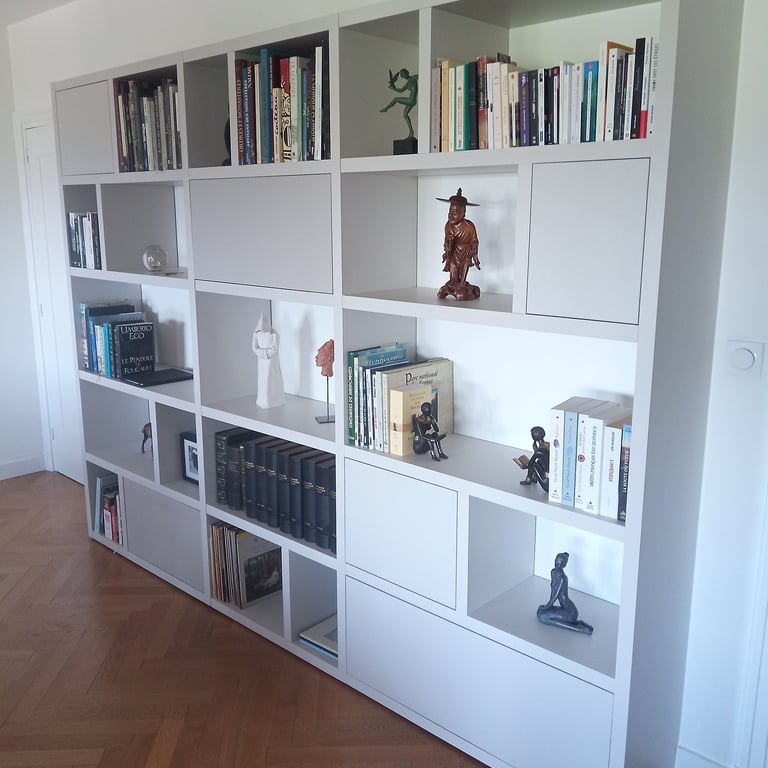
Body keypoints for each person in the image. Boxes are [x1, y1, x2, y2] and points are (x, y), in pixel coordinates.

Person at [437, 188, 481, 301]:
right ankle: (452, 284)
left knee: (463, 271)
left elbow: (474, 240)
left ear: (463, 213)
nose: (451, 216)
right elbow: (446, 241)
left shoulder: (469, 226)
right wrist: (448, 245)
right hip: (453, 251)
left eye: (455, 213)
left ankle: (462, 285)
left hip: (466, 251)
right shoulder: (448, 225)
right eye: (450, 212)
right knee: (453, 270)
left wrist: (474, 250)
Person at [537, 552, 593, 635]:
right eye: (556, 561)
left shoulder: (563, 578)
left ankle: (581, 629)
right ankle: (578, 623)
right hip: (563, 609)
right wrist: (547, 607)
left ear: (564, 565)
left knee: (542, 617)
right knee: (540, 613)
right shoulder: (553, 572)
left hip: (570, 611)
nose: (557, 564)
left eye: (560, 563)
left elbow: (555, 596)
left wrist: (545, 607)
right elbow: (552, 593)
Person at [252, 313, 285, 409]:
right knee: (262, 379)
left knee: (271, 378)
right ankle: (262, 399)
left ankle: (273, 400)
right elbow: (254, 347)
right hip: (261, 361)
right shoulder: (256, 334)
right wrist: (262, 354)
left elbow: (275, 348)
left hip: (271, 360)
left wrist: (265, 353)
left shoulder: (274, 334)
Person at [380, 68, 418, 138]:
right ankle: (411, 132)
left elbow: (423, 76)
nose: (402, 76)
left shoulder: (413, 78)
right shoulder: (407, 83)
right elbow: (400, 90)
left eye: (402, 74)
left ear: (407, 72)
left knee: (395, 99)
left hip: (411, 100)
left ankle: (386, 108)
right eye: (401, 75)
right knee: (405, 114)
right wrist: (393, 88)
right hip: (412, 100)